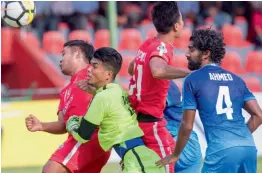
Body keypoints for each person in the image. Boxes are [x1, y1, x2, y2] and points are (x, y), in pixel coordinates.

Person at [156, 29, 262, 173]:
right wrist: (238, 139)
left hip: (220, 152)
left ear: (206, 53)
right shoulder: (237, 80)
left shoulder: (193, 79)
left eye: (191, 50)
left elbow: (187, 125)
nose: (187, 54)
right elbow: (259, 115)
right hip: (248, 148)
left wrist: (175, 155)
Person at [66, 47, 166, 173]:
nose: (89, 70)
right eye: (90, 65)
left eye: (95, 66)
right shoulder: (117, 90)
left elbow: (83, 135)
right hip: (141, 158)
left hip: (138, 162)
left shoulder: (102, 97)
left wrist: (71, 124)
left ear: (108, 74)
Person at [25, 40, 110, 173]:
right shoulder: (65, 91)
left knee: (50, 170)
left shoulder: (92, 72)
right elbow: (62, 125)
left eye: (64, 54)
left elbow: (109, 87)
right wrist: (41, 125)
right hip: (86, 140)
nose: (60, 60)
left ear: (77, 54)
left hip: (88, 135)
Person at [128, 2, 191, 173]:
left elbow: (131, 68)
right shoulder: (161, 48)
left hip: (136, 121)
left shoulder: (148, 43)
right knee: (166, 167)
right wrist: (189, 74)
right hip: (151, 125)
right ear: (177, 26)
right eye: (182, 19)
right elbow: (157, 70)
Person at [164, 80, 202, 173]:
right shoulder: (169, 83)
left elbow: (148, 114)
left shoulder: (159, 84)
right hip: (188, 141)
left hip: (171, 139)